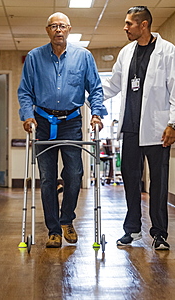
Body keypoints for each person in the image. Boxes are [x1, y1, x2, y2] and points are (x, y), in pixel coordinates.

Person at [18, 12, 106, 248]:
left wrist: (97, 114)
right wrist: (27, 116)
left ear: (69, 29)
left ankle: (67, 220)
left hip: (71, 122)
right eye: (54, 26)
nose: (58, 30)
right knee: (47, 178)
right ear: (47, 30)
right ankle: (53, 230)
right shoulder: (35, 58)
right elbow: (25, 91)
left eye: (62, 26)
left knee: (74, 173)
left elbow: (95, 89)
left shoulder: (83, 57)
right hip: (42, 122)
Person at [102, 6, 175, 250]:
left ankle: (159, 233)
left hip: (158, 129)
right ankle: (133, 230)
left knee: (158, 182)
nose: (125, 28)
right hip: (130, 128)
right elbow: (113, 85)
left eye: (129, 23)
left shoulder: (167, 52)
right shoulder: (126, 53)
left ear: (144, 24)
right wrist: (89, 98)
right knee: (130, 180)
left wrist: (174, 123)